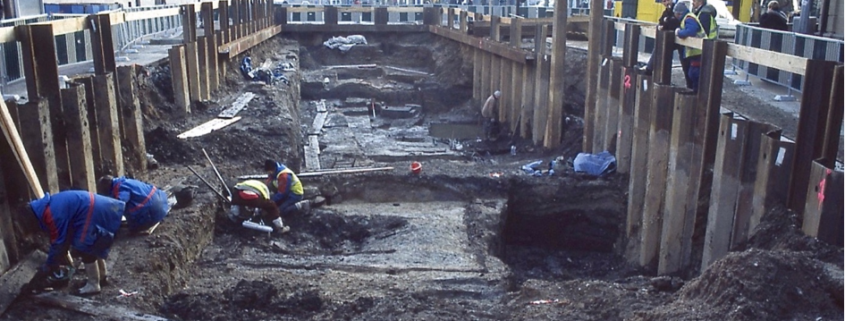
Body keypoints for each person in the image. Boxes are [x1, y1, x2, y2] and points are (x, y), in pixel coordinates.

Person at [29, 191, 125, 295]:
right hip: (94, 206)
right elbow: (63, 240)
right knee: (93, 243)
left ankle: (93, 284)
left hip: (91, 209)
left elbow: (59, 243)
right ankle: (101, 276)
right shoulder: (45, 207)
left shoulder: (51, 215)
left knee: (85, 245)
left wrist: (48, 266)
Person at [97, 175, 169, 235]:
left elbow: (120, 205)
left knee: (133, 228)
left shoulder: (120, 188)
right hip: (162, 201)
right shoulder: (124, 181)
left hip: (154, 209)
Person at [640, 0, 682, 75]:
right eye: (664, 1)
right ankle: (651, 70)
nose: (666, 3)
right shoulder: (666, 12)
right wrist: (664, 23)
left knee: (686, 64)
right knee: (660, 47)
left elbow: (674, 22)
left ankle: (649, 69)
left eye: (667, 0)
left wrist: (665, 22)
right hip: (669, 38)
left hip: (678, 38)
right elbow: (661, 22)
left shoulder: (676, 8)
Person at [675, 2, 704, 92]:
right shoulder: (687, 18)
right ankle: (695, 91)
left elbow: (690, 31)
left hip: (698, 51)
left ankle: (696, 93)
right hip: (696, 51)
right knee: (692, 73)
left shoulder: (689, 18)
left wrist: (679, 33)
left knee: (694, 74)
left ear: (678, 13)